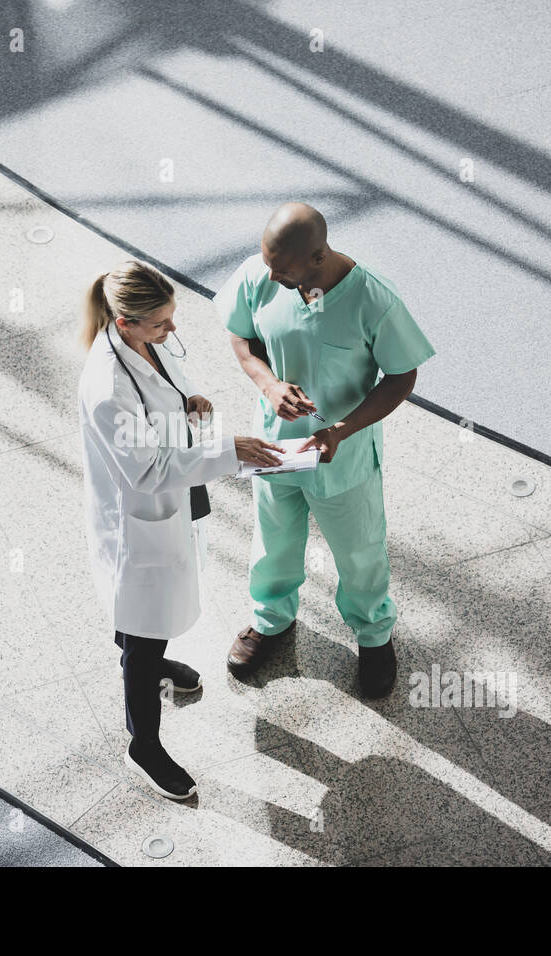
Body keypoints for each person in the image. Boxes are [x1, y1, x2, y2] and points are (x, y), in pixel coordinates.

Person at [78, 259, 283, 800]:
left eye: (171, 320)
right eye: (161, 325)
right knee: (144, 631)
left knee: (151, 618)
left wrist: (186, 401)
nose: (172, 332)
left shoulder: (143, 343)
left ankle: (151, 656)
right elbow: (145, 471)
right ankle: (143, 744)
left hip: (173, 497)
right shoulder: (106, 388)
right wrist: (227, 450)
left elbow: (163, 392)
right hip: (140, 517)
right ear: (126, 323)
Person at [213, 202, 437, 697]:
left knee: (359, 551)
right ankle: (270, 621)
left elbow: (402, 375)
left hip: (344, 453)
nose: (270, 276)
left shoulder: (372, 301)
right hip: (275, 445)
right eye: (267, 264)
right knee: (273, 539)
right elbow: (240, 335)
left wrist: (340, 429)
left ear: (318, 257)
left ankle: (374, 636)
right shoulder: (261, 274)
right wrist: (268, 384)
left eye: (283, 270)